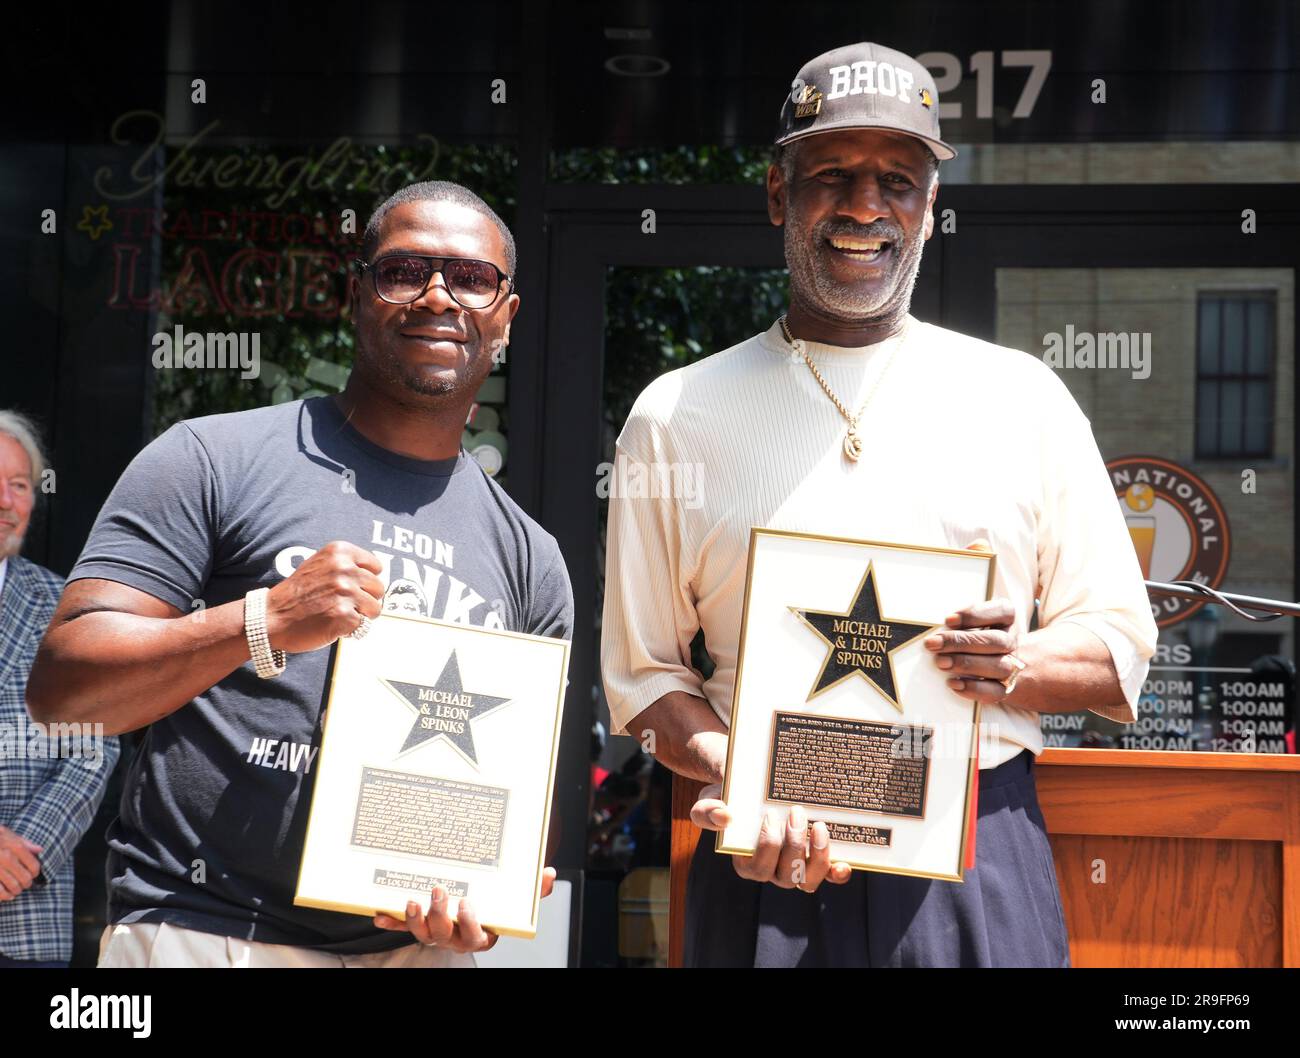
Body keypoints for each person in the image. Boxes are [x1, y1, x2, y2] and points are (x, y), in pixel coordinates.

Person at [600, 42, 1158, 967]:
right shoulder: (676, 414)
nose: (865, 206)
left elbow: (1118, 648)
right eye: (833, 176)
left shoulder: (1021, 395)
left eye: (897, 179)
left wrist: (1013, 662)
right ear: (780, 195)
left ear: (930, 207)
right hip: (765, 863)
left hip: (975, 853)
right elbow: (647, 681)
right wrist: (748, 779)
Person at [28, 181, 573, 968]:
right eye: (404, 270)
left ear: (506, 317)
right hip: (205, 930)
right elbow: (62, 691)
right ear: (357, 293)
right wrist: (266, 620)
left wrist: (480, 901)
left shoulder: (531, 556)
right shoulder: (213, 459)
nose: (436, 296)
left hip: (414, 954)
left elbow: (522, 810)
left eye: (471, 278)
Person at [0, 410, 120, 967]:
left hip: (23, 905)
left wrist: (20, 851)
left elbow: (94, 744)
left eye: (19, 486)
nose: (6, 501)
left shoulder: (62, 607)